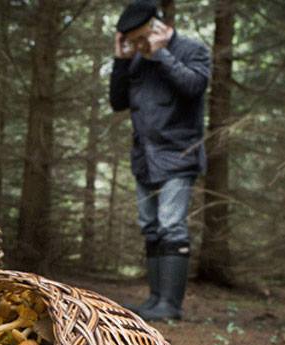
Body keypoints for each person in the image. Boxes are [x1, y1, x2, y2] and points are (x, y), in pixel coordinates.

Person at [109, 0, 210, 320]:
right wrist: (121, 60)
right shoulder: (134, 59)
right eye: (131, 41)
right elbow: (117, 102)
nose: (138, 46)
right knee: (151, 227)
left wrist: (162, 54)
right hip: (145, 158)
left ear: (157, 28)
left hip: (178, 155)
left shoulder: (191, 50)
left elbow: (194, 87)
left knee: (171, 226)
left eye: (140, 39)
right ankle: (155, 300)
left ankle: (170, 305)